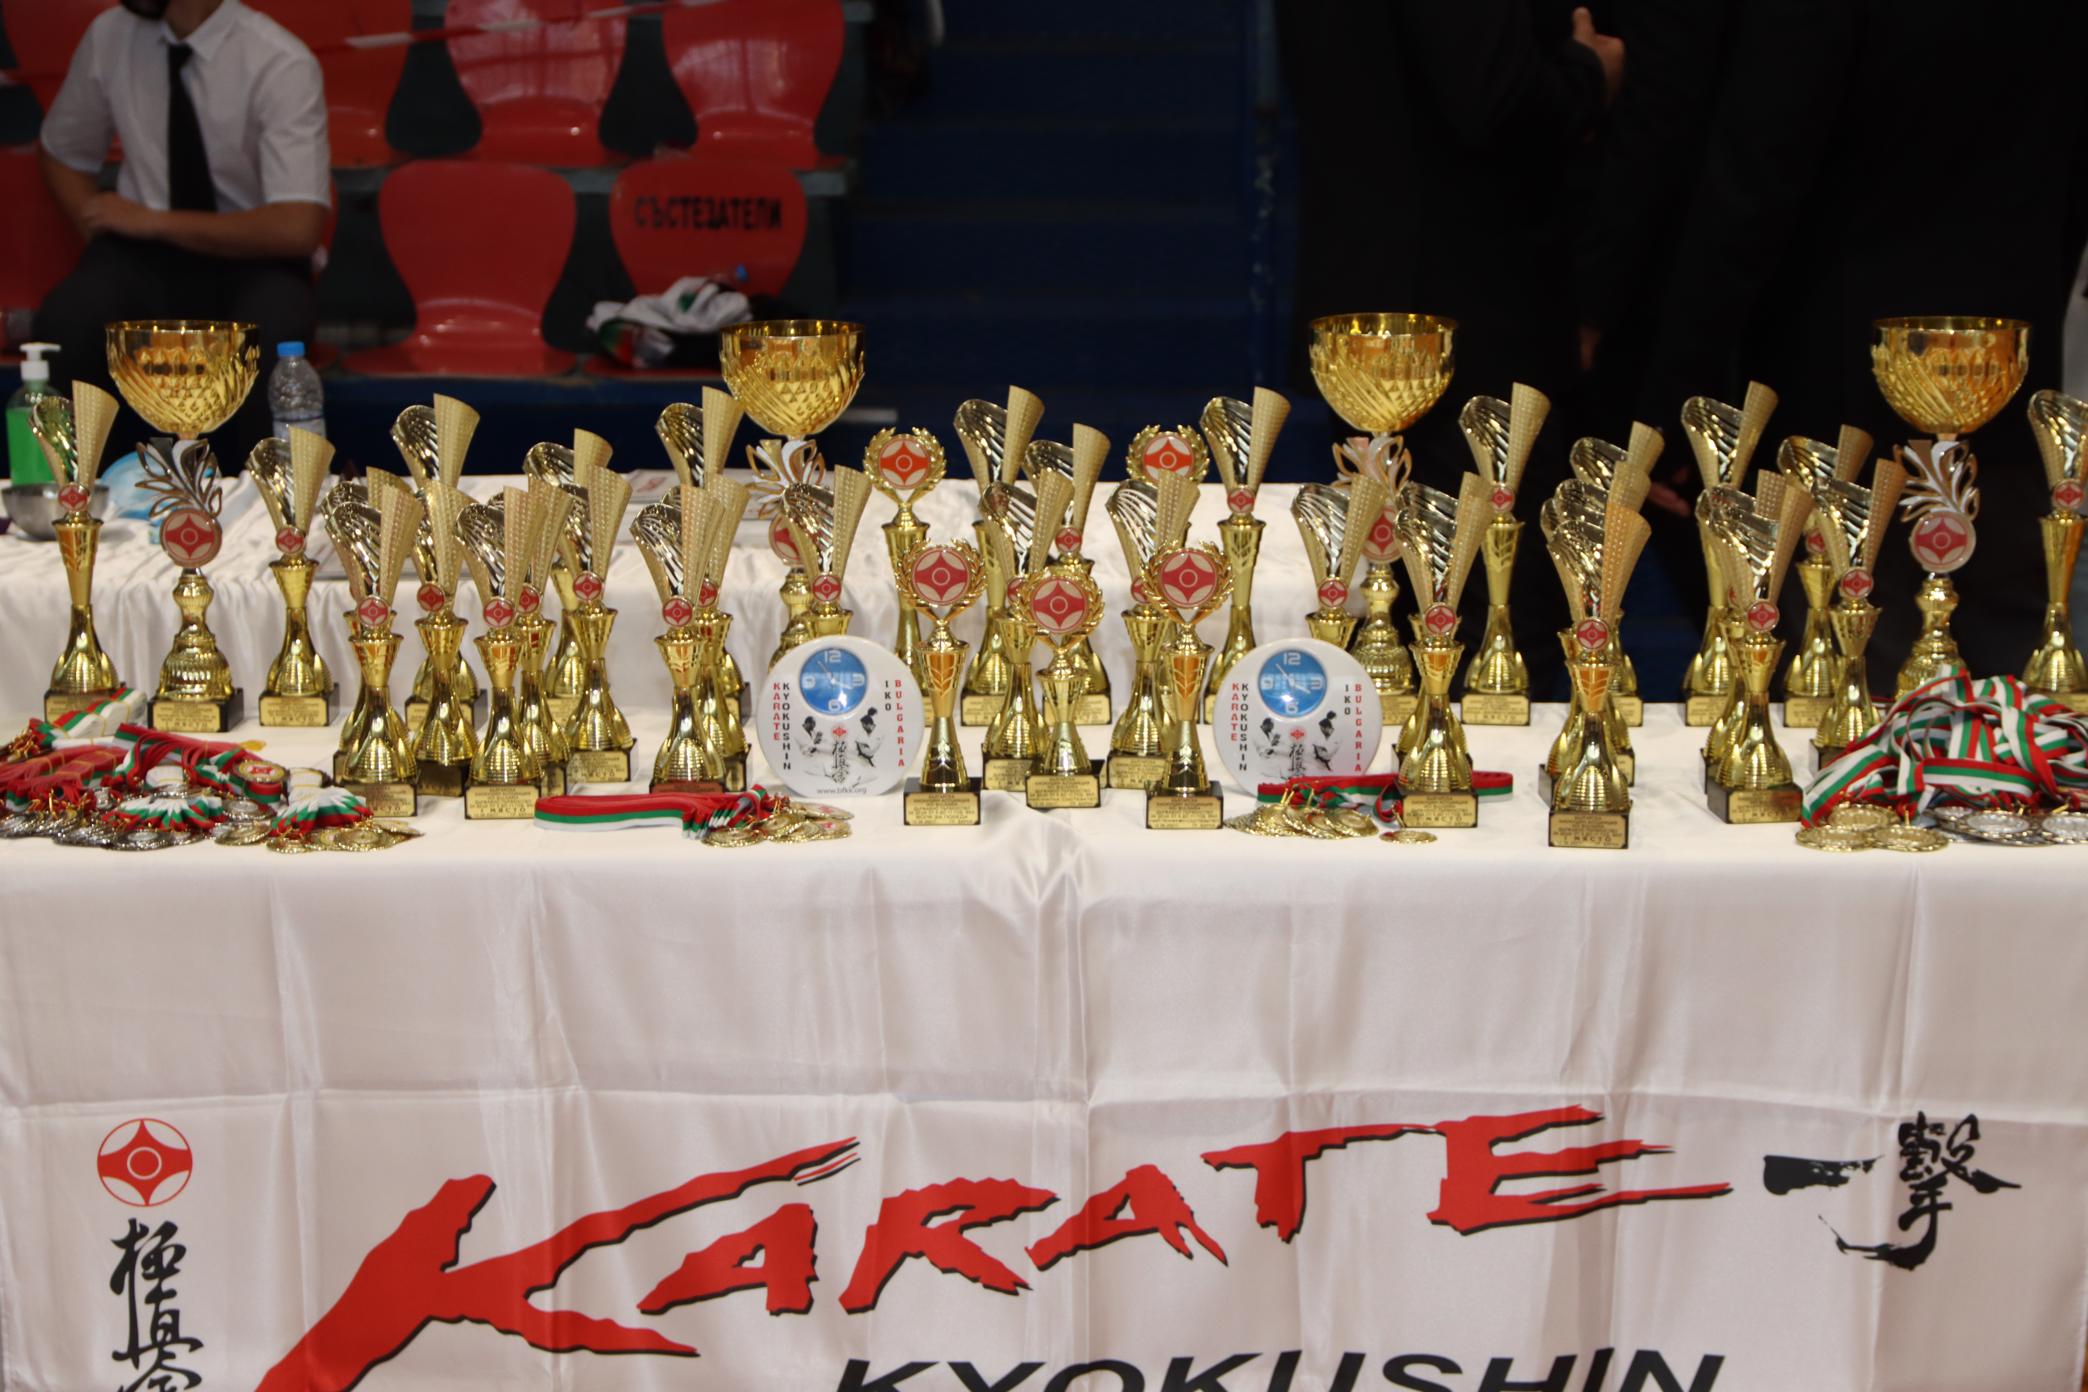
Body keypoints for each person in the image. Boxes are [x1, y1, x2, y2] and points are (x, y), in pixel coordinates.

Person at [1278, 0, 1625, 694]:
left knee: (1404, 612)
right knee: (1488, 628)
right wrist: (1591, 71)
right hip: (1468, 321)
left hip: (1373, 298)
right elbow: (1494, 98)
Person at [32, 0, 330, 466]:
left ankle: (266, 500)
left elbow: (297, 227)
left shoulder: (279, 59)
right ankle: (87, 494)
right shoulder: (111, 34)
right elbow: (62, 151)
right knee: (69, 319)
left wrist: (151, 221)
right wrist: (101, 231)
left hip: (250, 256)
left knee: (274, 331)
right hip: (141, 255)